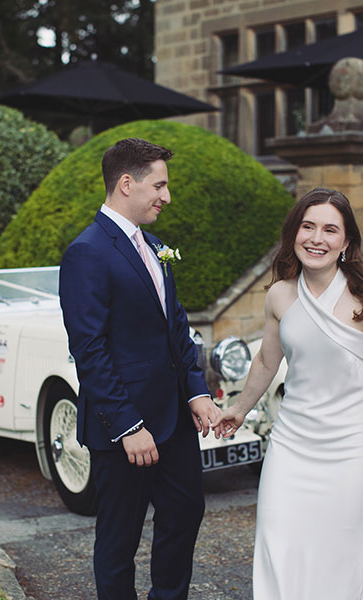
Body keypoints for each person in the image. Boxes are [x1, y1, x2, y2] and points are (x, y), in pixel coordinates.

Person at [214, 188, 363, 599]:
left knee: (336, 556)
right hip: (292, 446)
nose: (317, 238)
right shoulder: (280, 294)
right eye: (308, 227)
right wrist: (239, 409)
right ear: (294, 234)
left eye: (330, 230)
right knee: (278, 546)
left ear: (347, 243)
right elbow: (267, 360)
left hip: (350, 450)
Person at [59, 137, 223, 600]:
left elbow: (177, 328)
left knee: (185, 513)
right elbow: (89, 350)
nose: (166, 197)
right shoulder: (87, 252)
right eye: (160, 185)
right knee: (119, 538)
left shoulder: (154, 246)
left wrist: (196, 391)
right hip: (123, 428)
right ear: (127, 184)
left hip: (174, 421)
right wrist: (129, 425)